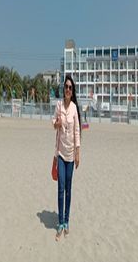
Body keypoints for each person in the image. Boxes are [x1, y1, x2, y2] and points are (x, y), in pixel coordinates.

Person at [52, 75, 81, 241]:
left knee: (69, 189)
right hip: (61, 154)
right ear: (63, 89)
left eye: (70, 87)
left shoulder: (75, 108)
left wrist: (78, 153)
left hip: (71, 155)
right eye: (66, 87)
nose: (68, 90)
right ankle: (61, 223)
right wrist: (56, 124)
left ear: (73, 90)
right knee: (61, 188)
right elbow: (53, 123)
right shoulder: (59, 105)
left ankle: (67, 221)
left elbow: (77, 131)